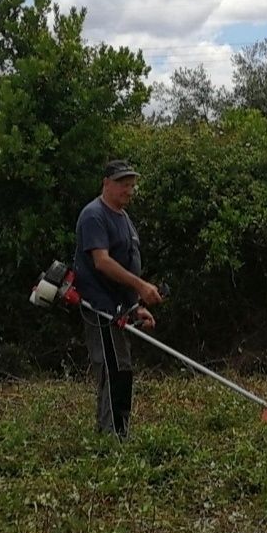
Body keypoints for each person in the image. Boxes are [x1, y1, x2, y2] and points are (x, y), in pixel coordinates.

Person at [73, 160, 163, 439]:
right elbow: (102, 262)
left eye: (132, 184)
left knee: (121, 369)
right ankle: (111, 436)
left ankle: (118, 431)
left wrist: (137, 306)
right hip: (102, 309)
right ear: (106, 183)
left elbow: (127, 263)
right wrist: (141, 285)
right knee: (112, 370)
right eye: (123, 183)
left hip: (122, 308)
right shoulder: (94, 216)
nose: (129, 190)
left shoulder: (124, 218)